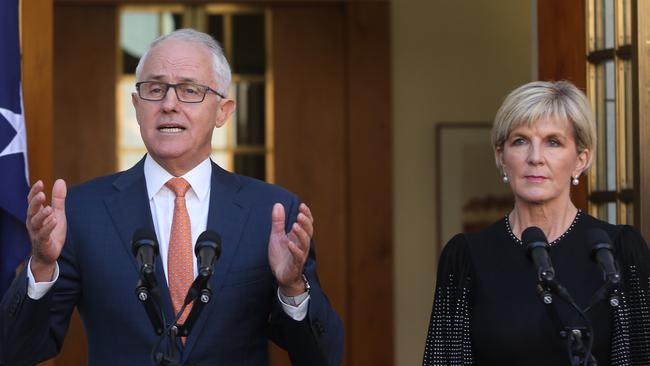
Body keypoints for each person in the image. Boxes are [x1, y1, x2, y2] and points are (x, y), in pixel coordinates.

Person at [0, 29, 343, 366]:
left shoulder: (271, 213)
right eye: (155, 89)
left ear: (223, 110)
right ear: (136, 105)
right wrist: (42, 267)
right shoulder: (83, 212)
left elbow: (322, 357)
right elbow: (16, 353)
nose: (169, 104)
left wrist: (293, 288)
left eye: (189, 90)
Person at [422, 81, 650, 365]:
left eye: (553, 142)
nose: (535, 158)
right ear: (501, 157)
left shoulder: (617, 251)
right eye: (520, 141)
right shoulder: (466, 256)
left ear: (581, 160)